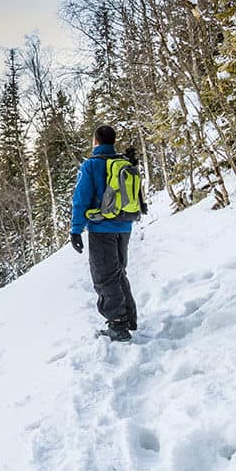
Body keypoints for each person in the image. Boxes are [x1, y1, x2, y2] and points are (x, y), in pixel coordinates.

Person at [70, 125, 140, 342]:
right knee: (118, 272)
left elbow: (81, 199)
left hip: (102, 228)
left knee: (105, 276)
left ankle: (118, 326)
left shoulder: (91, 165)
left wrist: (76, 229)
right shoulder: (124, 163)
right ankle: (127, 318)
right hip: (125, 226)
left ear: (96, 141)